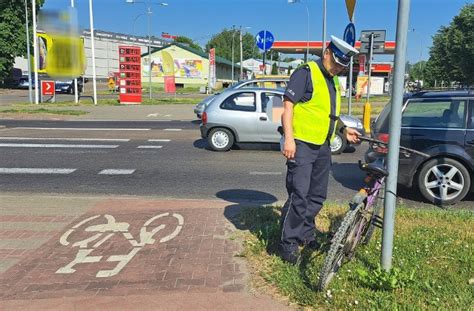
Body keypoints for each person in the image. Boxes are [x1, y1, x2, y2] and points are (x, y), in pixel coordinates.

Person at [279, 35, 361, 264]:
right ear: (327, 52)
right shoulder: (306, 73)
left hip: (323, 146)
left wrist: (344, 130)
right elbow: (288, 107)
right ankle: (289, 243)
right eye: (336, 63)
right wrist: (289, 139)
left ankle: (306, 234)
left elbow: (329, 113)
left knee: (316, 195)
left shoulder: (333, 80)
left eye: (342, 67)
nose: (338, 69)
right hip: (302, 144)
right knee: (300, 195)